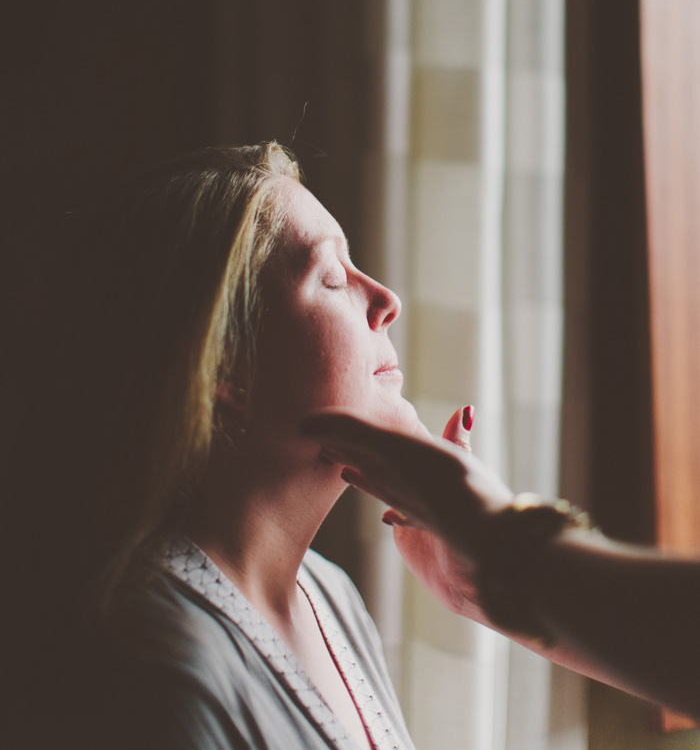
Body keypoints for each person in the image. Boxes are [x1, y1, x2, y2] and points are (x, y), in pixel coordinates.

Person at [11, 143, 419, 750]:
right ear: (226, 364)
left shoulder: (330, 595)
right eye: (332, 277)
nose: (387, 301)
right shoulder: (158, 675)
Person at [303, 408, 700, 721]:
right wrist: (489, 564)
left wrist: (492, 547)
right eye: (331, 296)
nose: (391, 301)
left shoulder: (331, 593)